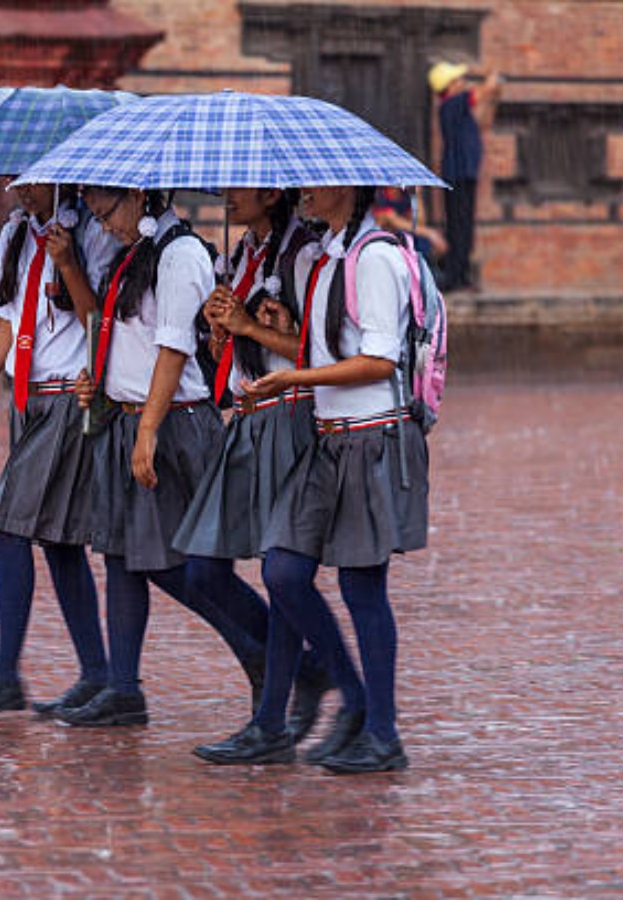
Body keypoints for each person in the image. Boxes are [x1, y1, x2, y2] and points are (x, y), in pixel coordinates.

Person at [200, 184, 429, 774]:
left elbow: (380, 360)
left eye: (319, 183)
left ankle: (382, 732)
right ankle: (350, 697)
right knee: (284, 569)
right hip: (331, 436)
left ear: (348, 190)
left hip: (370, 433)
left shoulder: (373, 257)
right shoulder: (329, 257)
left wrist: (290, 374)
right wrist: (267, 326)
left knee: (362, 587)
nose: (306, 190)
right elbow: (324, 341)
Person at [0, 182, 114, 716]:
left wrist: (70, 264)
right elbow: (9, 327)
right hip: (26, 402)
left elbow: (98, 321)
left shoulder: (93, 234)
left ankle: (6, 674)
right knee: (59, 542)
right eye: (15, 179)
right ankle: (97, 672)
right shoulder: (17, 233)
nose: (20, 190)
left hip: (65, 400)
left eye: (32, 180)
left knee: (8, 527)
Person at [169, 188, 334, 755]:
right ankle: (307, 670)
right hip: (246, 419)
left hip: (291, 417)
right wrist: (220, 331)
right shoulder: (241, 256)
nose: (226, 197)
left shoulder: (307, 257)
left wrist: (251, 327)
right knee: (202, 570)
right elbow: (226, 358)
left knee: (279, 568)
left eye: (237, 189)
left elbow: (324, 355)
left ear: (269, 193)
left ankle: (271, 721)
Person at [58, 187, 228, 728]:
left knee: (179, 567)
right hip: (128, 417)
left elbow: (174, 349)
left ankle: (267, 647)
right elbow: (122, 334)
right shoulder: (132, 253)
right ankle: (124, 687)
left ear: (138, 197)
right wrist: (101, 383)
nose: (102, 226)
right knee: (122, 558)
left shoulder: (180, 255)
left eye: (106, 212)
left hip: (173, 423)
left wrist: (148, 429)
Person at [430, 62, 502, 292]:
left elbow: (485, 121)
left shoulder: (459, 108)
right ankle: (454, 278)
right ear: (449, 86)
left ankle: (460, 275)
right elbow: (487, 88)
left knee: (464, 226)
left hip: (465, 172)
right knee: (458, 227)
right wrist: (487, 73)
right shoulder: (452, 104)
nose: (462, 82)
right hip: (457, 171)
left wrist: (493, 97)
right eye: (457, 79)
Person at [373, 187, 448, 277]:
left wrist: (417, 196)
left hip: (405, 240)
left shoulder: (405, 194)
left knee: (421, 241)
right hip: (385, 243)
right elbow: (396, 222)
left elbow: (419, 221)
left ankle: (425, 271)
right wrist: (430, 234)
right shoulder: (381, 195)